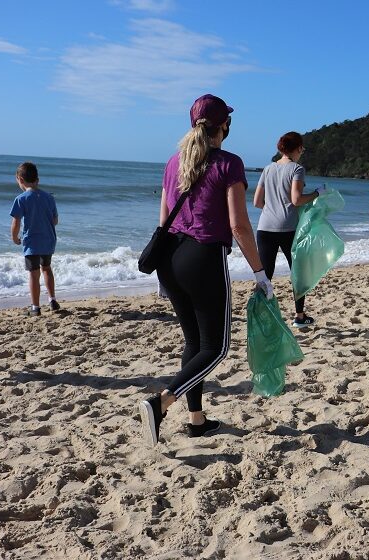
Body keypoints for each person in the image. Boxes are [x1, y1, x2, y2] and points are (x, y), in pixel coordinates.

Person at [137, 94, 275, 446]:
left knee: (195, 342)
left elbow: (164, 220)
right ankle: (162, 402)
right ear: (224, 126)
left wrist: (162, 278)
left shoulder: (172, 162)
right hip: (204, 259)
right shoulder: (230, 164)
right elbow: (239, 226)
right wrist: (260, 274)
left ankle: (197, 420)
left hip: (170, 261)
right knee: (216, 347)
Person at [254, 131, 325, 328]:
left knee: (265, 273)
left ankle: (260, 316)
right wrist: (318, 193)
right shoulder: (297, 169)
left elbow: (257, 202)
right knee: (297, 272)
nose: (302, 151)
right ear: (298, 148)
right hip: (288, 228)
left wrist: (273, 208)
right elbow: (296, 199)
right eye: (302, 148)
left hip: (265, 227)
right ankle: (300, 317)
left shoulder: (268, 169)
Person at [10, 162, 59, 316]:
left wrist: (14, 237)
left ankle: (35, 308)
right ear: (37, 179)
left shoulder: (21, 199)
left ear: (20, 180)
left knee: (33, 273)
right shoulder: (49, 197)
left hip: (32, 242)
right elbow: (55, 220)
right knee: (47, 269)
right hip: (48, 240)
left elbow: (16, 222)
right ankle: (52, 300)